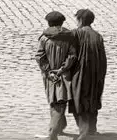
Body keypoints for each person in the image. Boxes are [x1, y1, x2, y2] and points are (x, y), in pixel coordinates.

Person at [35, 11, 77, 140]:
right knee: (60, 100)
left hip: (50, 76)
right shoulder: (69, 37)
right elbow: (72, 56)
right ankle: (59, 128)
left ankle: (52, 134)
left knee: (55, 103)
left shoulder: (44, 38)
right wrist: (61, 70)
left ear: (48, 23)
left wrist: (49, 72)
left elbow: (40, 57)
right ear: (62, 22)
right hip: (64, 75)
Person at [70, 9, 107, 140]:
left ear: (80, 20)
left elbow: (71, 56)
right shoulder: (98, 36)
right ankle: (92, 129)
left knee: (78, 100)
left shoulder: (75, 34)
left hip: (79, 74)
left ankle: (83, 130)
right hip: (96, 74)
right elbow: (103, 59)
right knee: (93, 100)